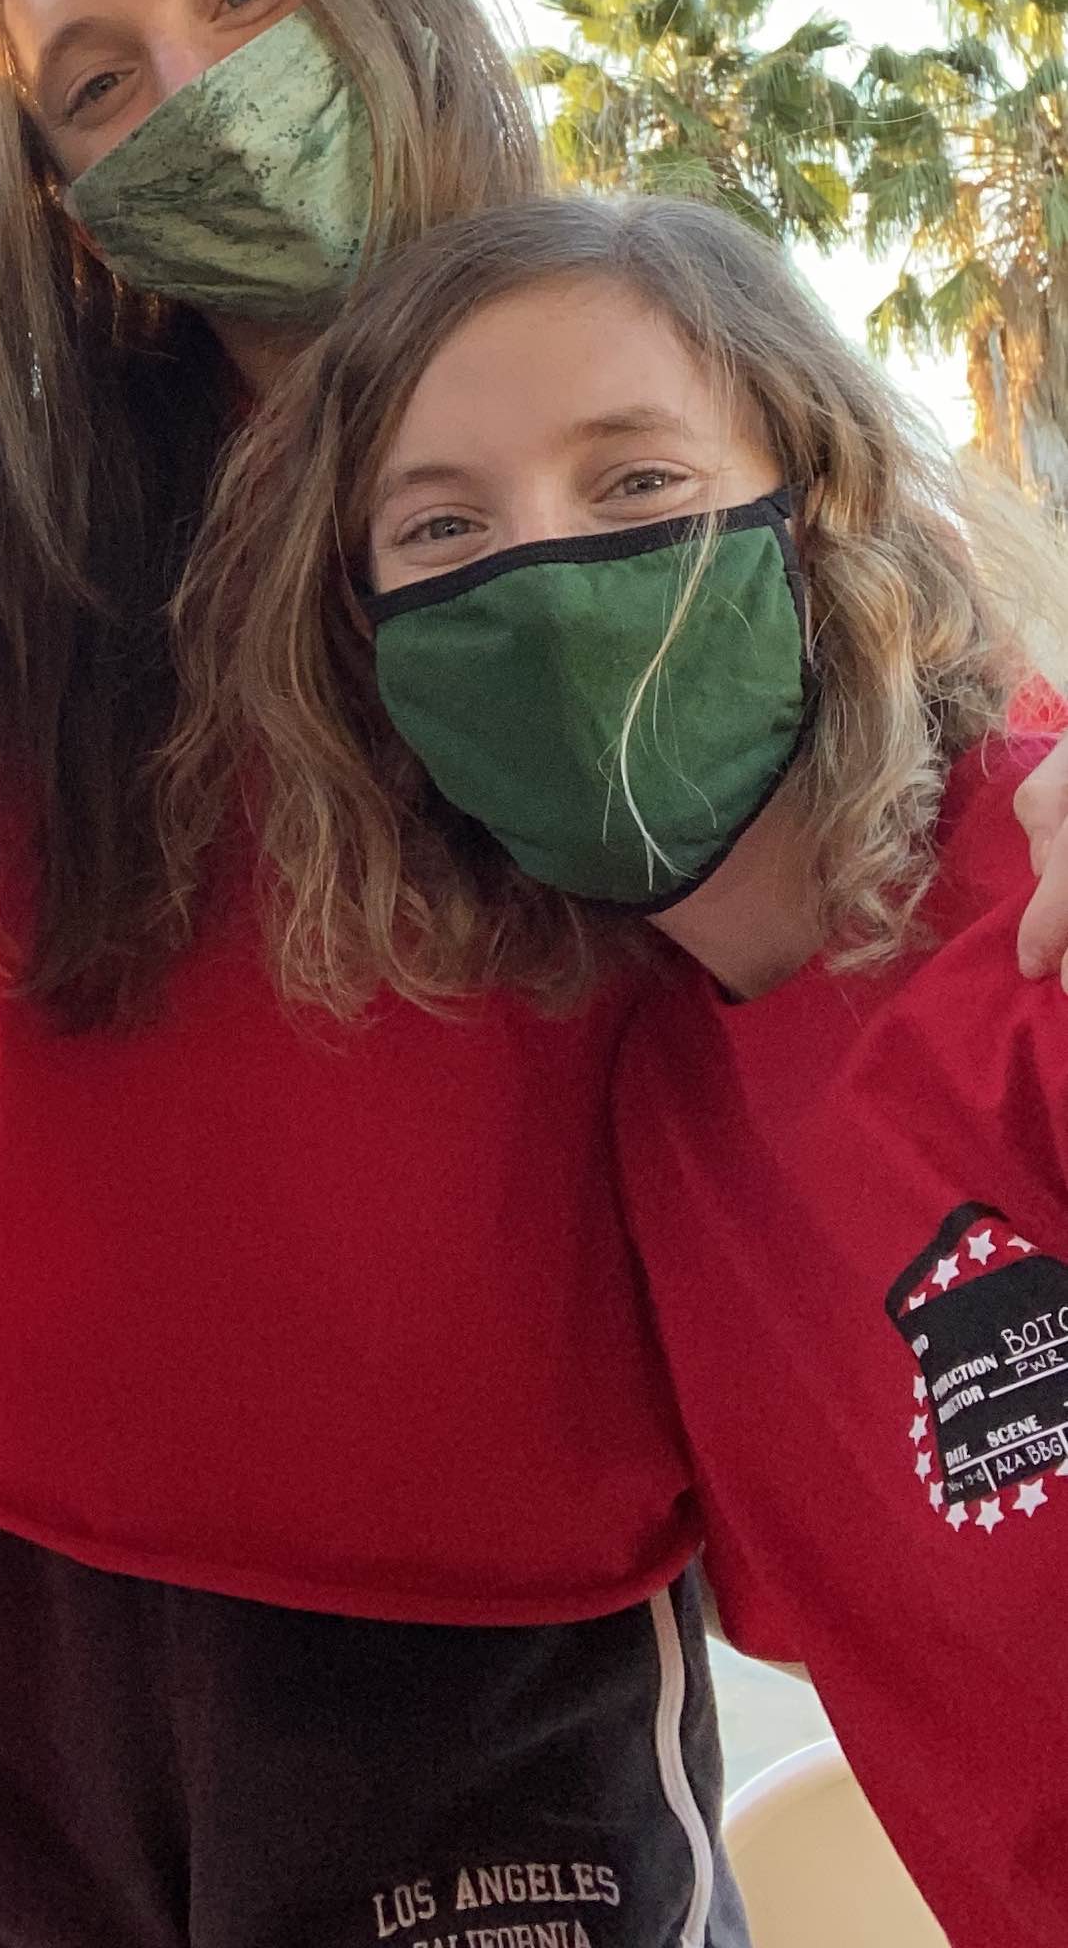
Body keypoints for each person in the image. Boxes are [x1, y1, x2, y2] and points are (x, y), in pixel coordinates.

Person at [0, 0, 746, 1948]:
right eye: (98, 81)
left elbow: (919, 709)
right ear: (68, 202)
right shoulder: (32, 500)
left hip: (479, 1638)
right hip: (21, 1604)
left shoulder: (645, 377)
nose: (201, 94)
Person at [189, 189, 1068, 1947]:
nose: (553, 575)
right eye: (441, 530)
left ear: (819, 509)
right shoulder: (665, 1114)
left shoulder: (1039, 909)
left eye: (641, 487)